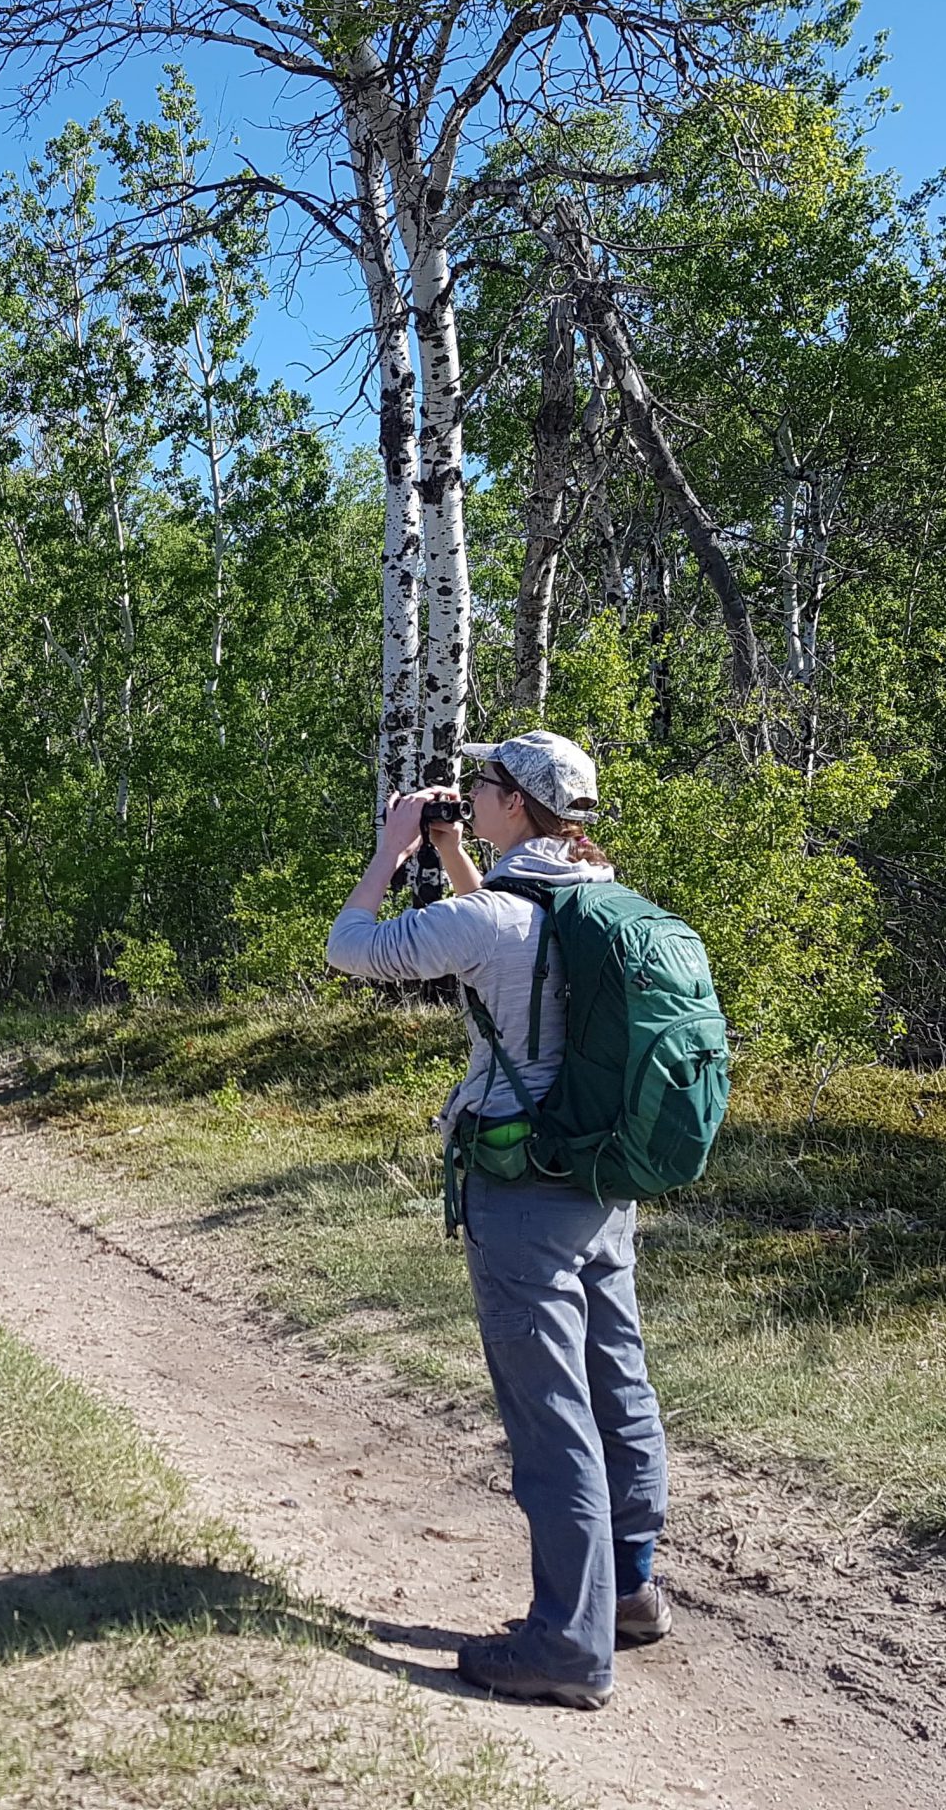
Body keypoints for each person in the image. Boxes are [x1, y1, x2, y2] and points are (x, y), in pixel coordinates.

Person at [324, 731, 672, 1712]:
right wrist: (446, 853)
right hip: (602, 1180)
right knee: (618, 1384)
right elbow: (500, 938)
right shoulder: (603, 901)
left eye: (481, 786)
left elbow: (351, 951)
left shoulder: (491, 920)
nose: (468, 795)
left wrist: (392, 849)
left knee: (550, 1416)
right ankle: (632, 1590)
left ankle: (564, 1646)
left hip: (520, 1188)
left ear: (517, 805)